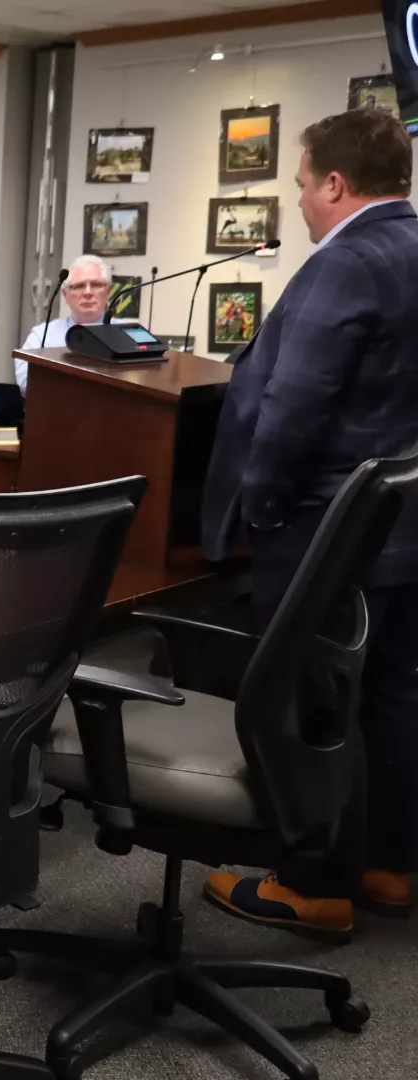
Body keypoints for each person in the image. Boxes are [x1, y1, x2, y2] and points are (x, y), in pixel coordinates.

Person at [198, 108, 418, 940]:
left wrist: (261, 505)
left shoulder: (347, 263)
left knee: (312, 706)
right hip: (400, 523)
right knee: (393, 696)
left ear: (334, 181)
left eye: (299, 184)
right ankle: (389, 866)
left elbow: (294, 404)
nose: (297, 202)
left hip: (326, 527)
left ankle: (313, 883)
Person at [16, 254, 118, 394]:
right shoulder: (42, 335)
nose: (88, 292)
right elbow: (25, 383)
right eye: (79, 286)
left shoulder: (128, 333)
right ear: (65, 294)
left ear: (108, 291)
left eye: (96, 285)